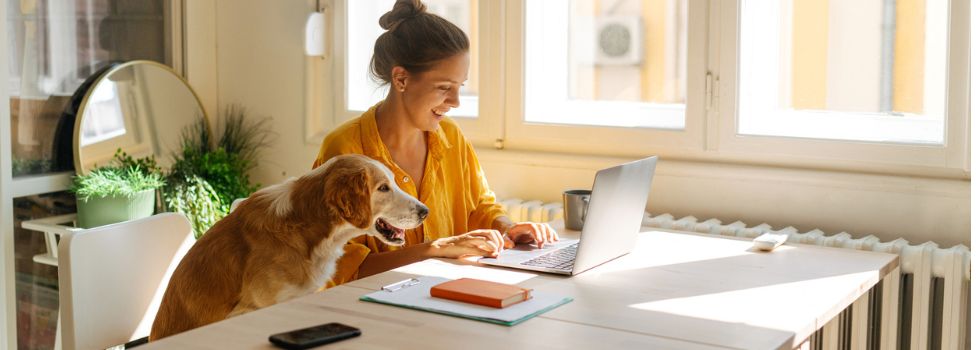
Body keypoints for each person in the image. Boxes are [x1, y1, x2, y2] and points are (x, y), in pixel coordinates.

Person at [313, 0, 557, 287]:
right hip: (371, 310)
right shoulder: (344, 150)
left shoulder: (451, 137)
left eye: (459, 87)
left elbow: (478, 206)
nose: (455, 102)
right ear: (401, 79)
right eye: (444, 88)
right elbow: (340, 269)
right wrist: (433, 250)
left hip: (446, 294)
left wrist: (509, 227)